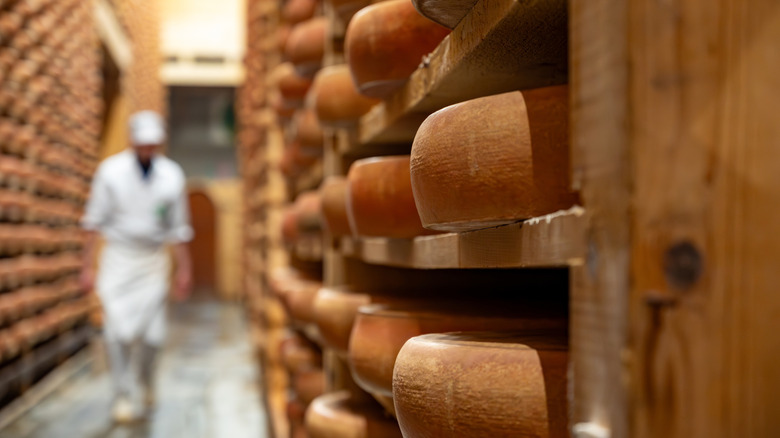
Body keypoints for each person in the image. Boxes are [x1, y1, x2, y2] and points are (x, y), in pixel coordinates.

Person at [80, 110, 193, 423]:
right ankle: (122, 395)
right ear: (132, 141)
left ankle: (147, 379)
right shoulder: (110, 172)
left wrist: (184, 270)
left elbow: (179, 229)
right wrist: (86, 267)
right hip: (118, 259)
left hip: (153, 261)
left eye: (152, 144)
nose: (147, 150)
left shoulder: (172, 175)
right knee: (117, 335)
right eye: (142, 144)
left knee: (153, 337)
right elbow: (93, 221)